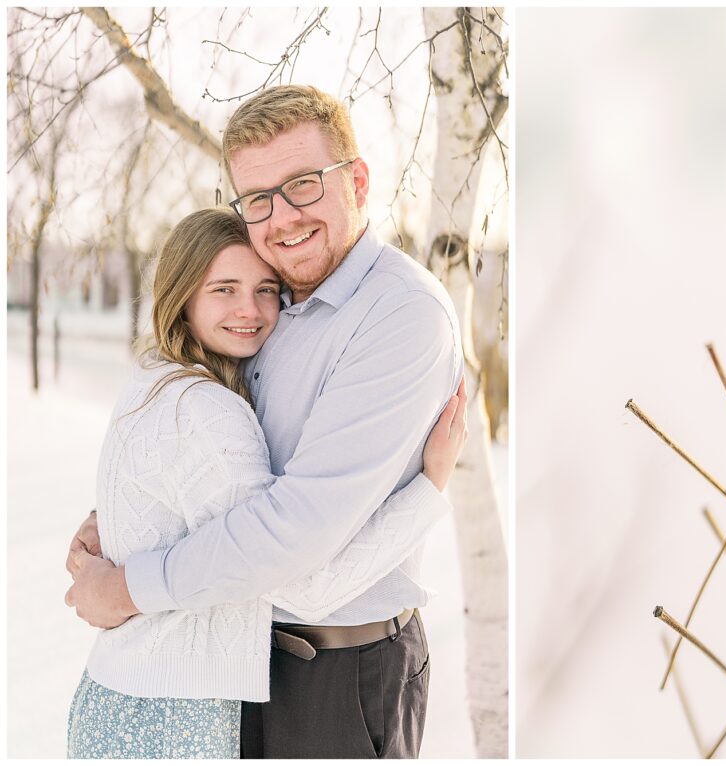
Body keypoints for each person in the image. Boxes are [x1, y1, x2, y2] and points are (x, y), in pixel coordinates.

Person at [66, 85, 465, 758]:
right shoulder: (270, 306)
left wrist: (130, 585)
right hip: (237, 661)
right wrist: (125, 517)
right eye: (258, 199)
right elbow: (215, 465)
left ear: (358, 180)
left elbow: (294, 535)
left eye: (303, 184)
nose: (281, 217)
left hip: (338, 671)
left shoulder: (399, 316)